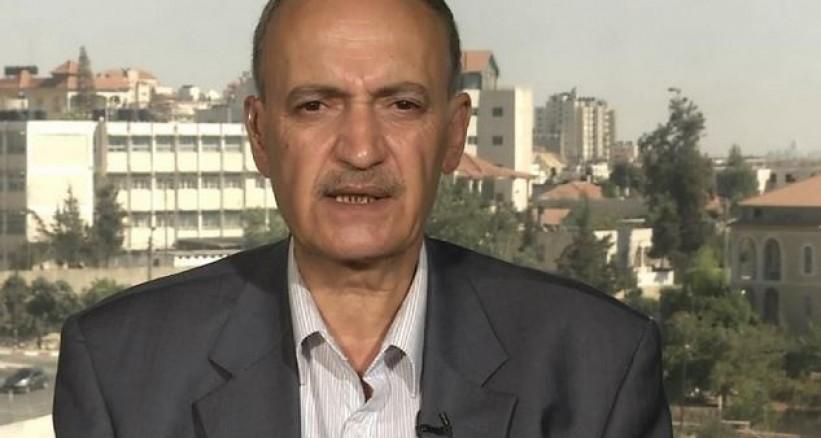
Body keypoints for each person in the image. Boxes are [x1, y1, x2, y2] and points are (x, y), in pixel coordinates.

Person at [53, 0, 672, 436]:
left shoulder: (597, 369)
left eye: (401, 105)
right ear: (260, 136)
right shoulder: (119, 369)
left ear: (454, 134)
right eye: (315, 105)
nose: (360, 150)